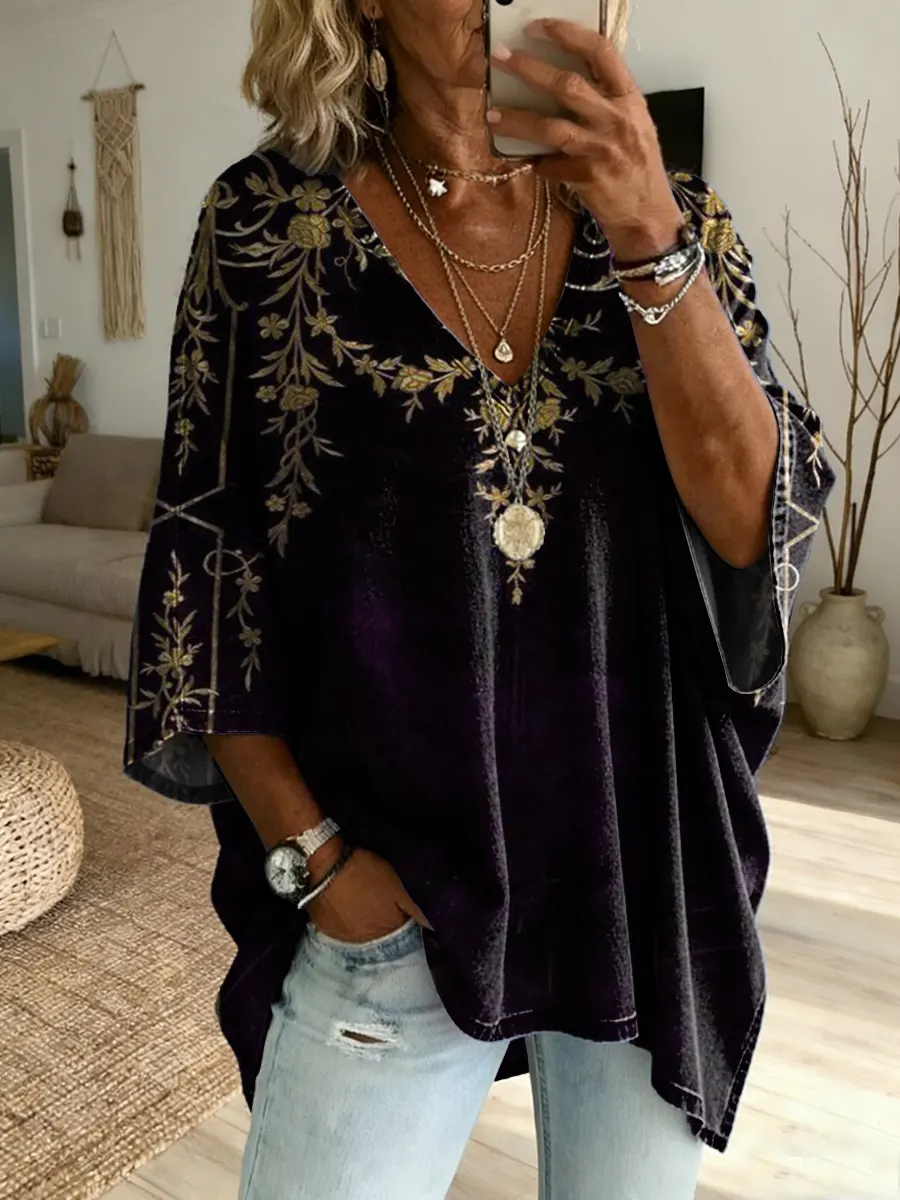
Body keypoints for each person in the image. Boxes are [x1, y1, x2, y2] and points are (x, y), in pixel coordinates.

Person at [124, 0, 834, 1195]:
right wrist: (315, 862)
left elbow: (753, 525)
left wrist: (647, 230)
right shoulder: (265, 226)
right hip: (392, 891)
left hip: (641, 875)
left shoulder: (678, 216)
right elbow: (207, 564)